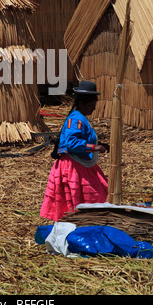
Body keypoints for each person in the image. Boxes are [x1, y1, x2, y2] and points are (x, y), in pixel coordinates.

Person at [40, 80, 108, 222]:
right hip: (73, 165)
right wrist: (94, 148)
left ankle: (86, 222)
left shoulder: (81, 118)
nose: (93, 109)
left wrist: (100, 144)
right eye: (91, 105)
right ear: (82, 104)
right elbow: (70, 142)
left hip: (81, 162)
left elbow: (80, 138)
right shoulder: (76, 119)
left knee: (98, 191)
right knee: (93, 194)